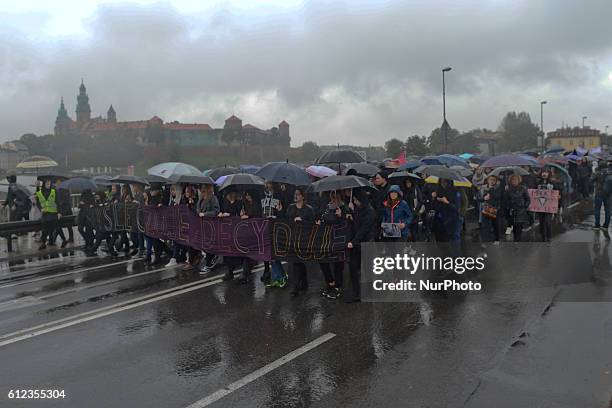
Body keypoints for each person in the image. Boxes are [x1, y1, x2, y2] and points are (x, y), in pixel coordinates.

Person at [346, 189, 376, 303]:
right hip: (356, 243)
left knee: (367, 269)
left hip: (366, 242)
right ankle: (356, 293)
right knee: (353, 269)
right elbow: (356, 224)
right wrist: (352, 214)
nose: (354, 202)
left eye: (355, 200)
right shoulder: (358, 209)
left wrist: (353, 242)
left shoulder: (369, 211)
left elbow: (363, 229)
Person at [317, 191, 348, 299]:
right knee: (323, 260)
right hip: (327, 238)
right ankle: (330, 282)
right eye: (332, 196)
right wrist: (320, 222)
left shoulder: (343, 207)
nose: (333, 198)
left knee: (338, 263)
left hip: (339, 238)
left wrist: (341, 216)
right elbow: (323, 218)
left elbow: (347, 223)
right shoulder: (327, 206)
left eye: (335, 196)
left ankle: (337, 286)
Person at [286, 187, 315, 297]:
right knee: (296, 261)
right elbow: (286, 220)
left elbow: (312, 224)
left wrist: (302, 221)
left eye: (298, 194)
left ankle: (296, 287)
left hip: (304, 239)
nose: (296, 196)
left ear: (303, 196)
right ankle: (301, 283)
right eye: (295, 194)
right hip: (293, 238)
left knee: (298, 261)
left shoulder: (308, 209)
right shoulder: (291, 207)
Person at [35, 179, 66, 250]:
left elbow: (58, 202)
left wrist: (59, 212)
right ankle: (43, 243)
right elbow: (38, 202)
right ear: (44, 184)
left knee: (57, 228)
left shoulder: (53, 191)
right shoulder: (40, 192)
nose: (48, 185)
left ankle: (64, 240)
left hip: (53, 213)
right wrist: (41, 209)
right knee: (44, 229)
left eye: (49, 184)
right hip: (45, 214)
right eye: (47, 184)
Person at [197, 183, 221, 274]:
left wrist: (205, 214)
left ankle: (209, 264)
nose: (202, 191)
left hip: (211, 225)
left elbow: (216, 210)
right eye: (201, 189)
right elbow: (198, 209)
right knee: (205, 245)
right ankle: (209, 260)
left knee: (209, 245)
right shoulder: (201, 199)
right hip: (202, 225)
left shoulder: (213, 198)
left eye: (204, 189)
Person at [503, 174, 531, 242]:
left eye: (516, 180)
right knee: (510, 225)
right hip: (511, 210)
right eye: (513, 180)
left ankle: (517, 240)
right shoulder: (508, 189)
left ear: (519, 180)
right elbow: (505, 200)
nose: (514, 181)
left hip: (520, 210)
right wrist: (507, 208)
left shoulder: (523, 188)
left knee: (518, 226)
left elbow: (528, 199)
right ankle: (508, 237)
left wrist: (525, 206)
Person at [536, 170, 560, 241]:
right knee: (541, 222)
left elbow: (558, 191)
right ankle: (543, 236)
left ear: (548, 174)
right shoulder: (538, 182)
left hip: (549, 206)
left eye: (546, 173)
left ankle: (549, 236)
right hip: (540, 206)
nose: (544, 174)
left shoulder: (552, 182)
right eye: (543, 172)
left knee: (547, 222)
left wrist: (558, 196)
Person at [479, 174, 502, 242]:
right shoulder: (483, 188)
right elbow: (479, 198)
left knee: (495, 225)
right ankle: (486, 240)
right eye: (490, 179)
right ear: (488, 180)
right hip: (486, 208)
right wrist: (483, 198)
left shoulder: (498, 188)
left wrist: (491, 189)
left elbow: (498, 197)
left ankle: (497, 239)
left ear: (496, 181)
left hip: (494, 208)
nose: (492, 181)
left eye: (493, 180)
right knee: (485, 226)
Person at [591, 160, 612, 231]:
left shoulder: (597, 173)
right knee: (608, 210)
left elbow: (591, 180)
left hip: (599, 193)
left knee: (597, 209)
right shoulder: (610, 173)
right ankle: (606, 226)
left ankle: (597, 225)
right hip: (608, 194)